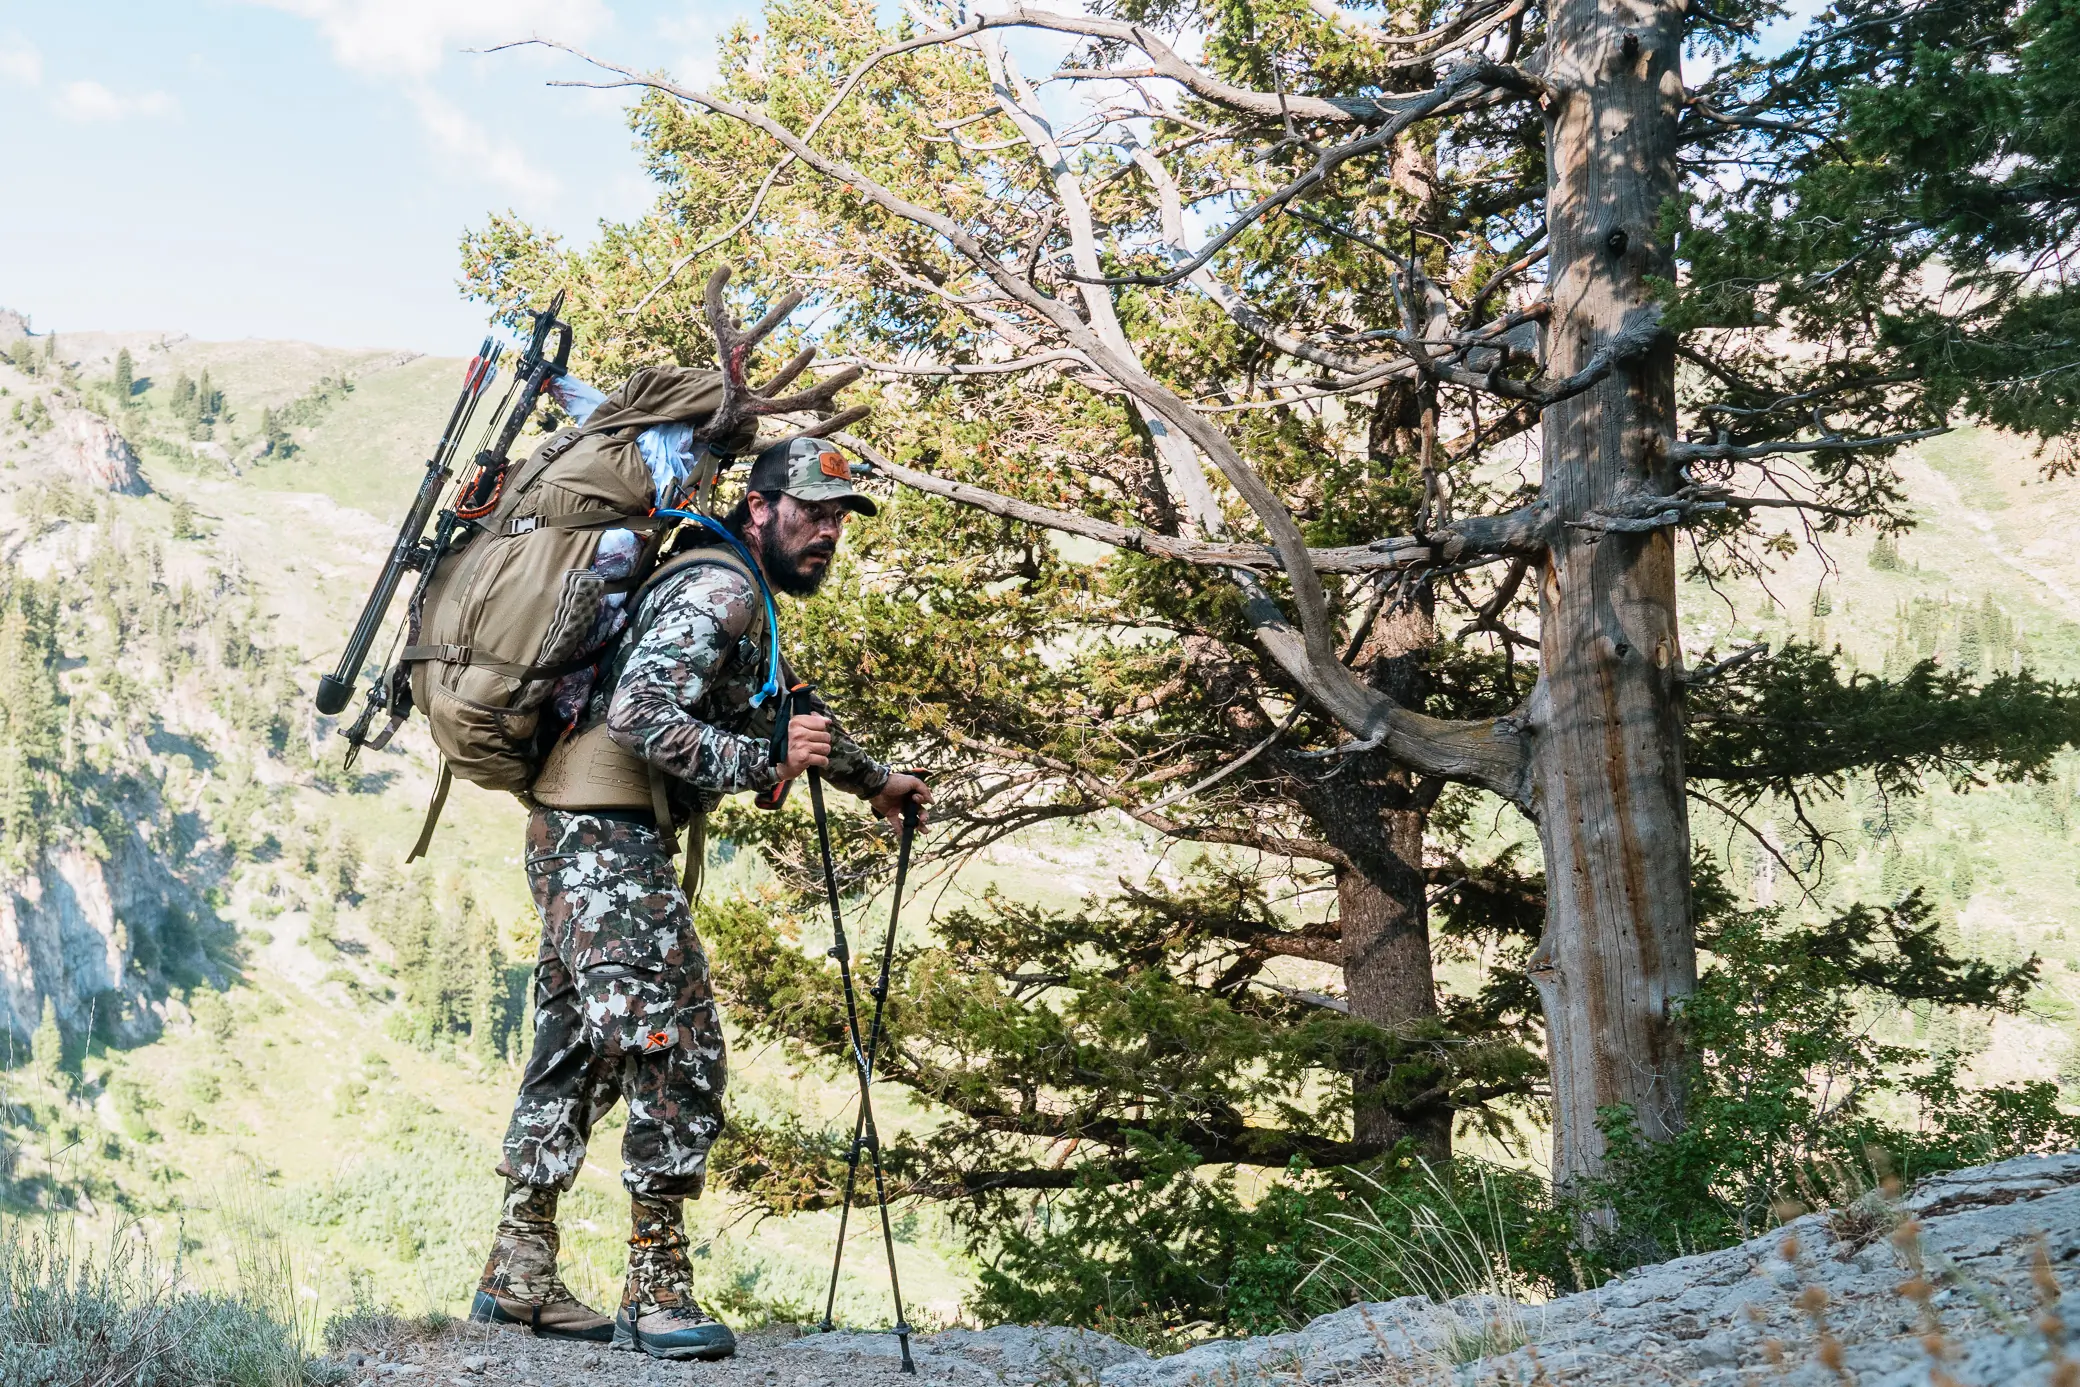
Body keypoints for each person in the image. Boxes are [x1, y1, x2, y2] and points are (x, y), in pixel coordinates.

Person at [468, 436, 930, 1361]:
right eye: (811, 513)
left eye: (840, 517)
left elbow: (777, 710)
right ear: (760, 508)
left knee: (577, 1050)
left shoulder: (733, 585)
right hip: (606, 844)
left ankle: (518, 1274)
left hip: (576, 835)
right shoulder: (719, 590)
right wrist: (762, 767)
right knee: (678, 1046)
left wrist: (870, 780)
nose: (828, 533)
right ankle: (657, 1286)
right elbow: (644, 716)